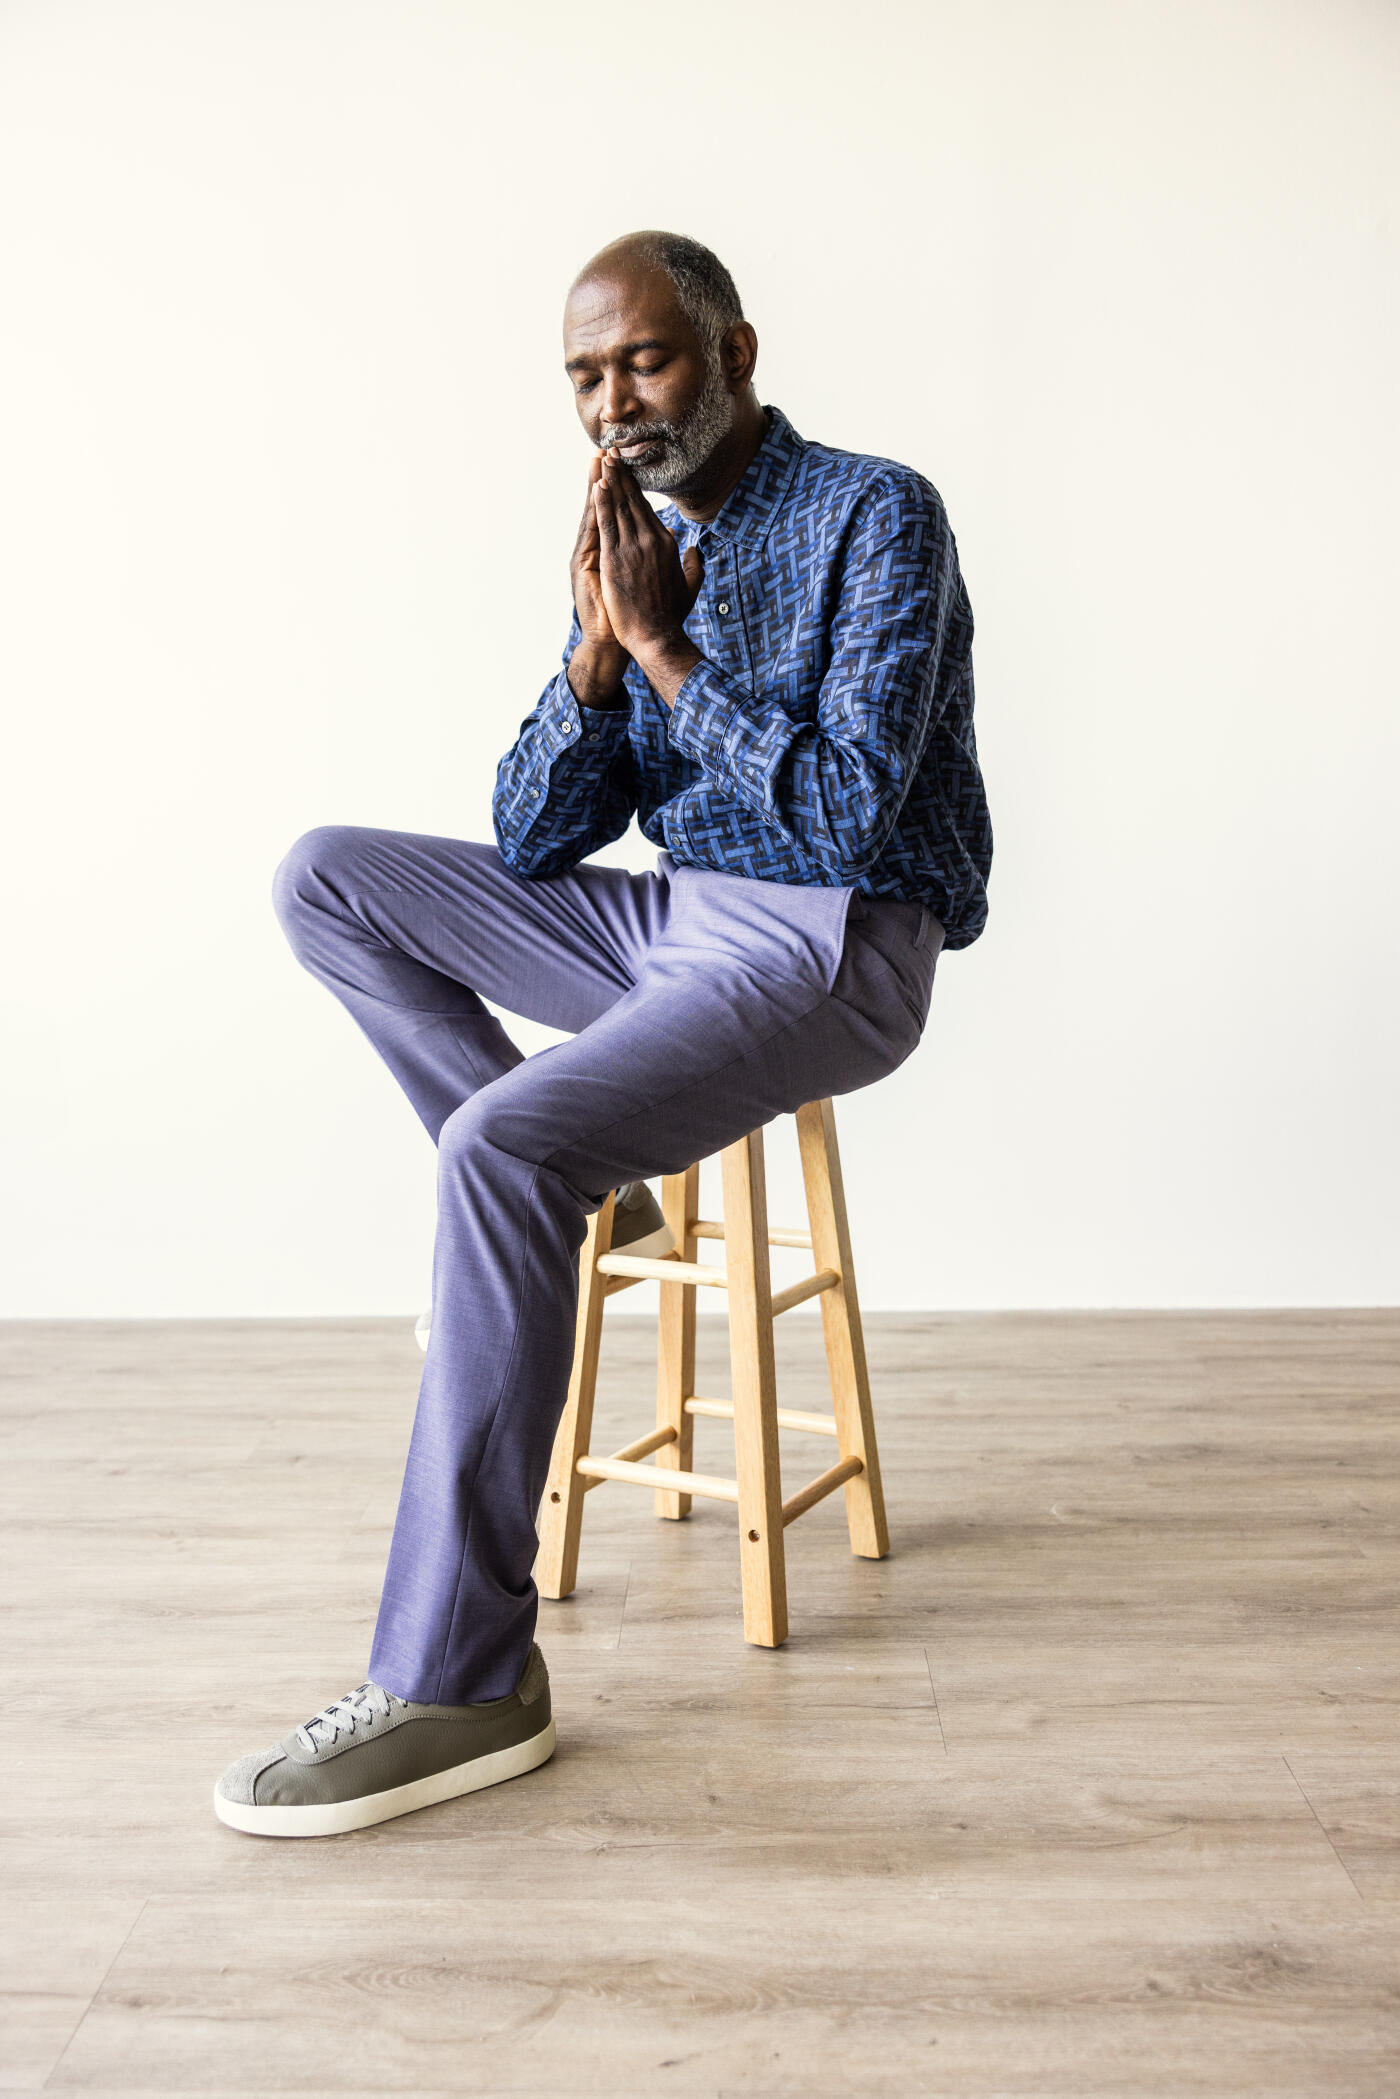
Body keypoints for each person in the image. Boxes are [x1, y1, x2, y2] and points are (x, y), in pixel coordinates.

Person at [213, 229, 993, 1838]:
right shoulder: (632, 545)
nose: (613, 402)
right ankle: (595, 1192)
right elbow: (533, 837)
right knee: (327, 882)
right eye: (584, 375)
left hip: (835, 944)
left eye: (644, 360)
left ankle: (462, 1678)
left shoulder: (877, 513)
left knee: (501, 1147)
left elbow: (853, 812)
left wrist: (660, 648)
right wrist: (588, 651)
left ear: (735, 354)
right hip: (669, 918)